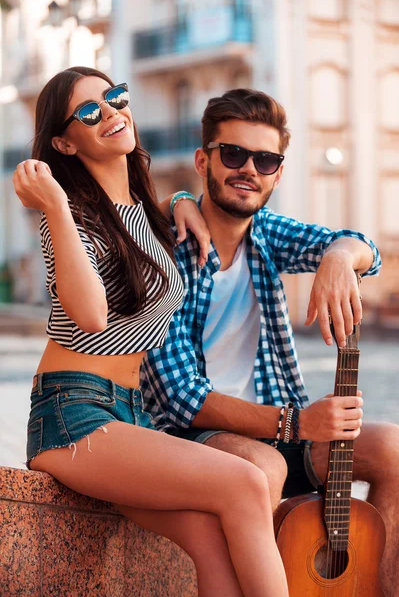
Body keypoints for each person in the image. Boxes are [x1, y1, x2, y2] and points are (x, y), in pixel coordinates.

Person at [13, 68, 290, 597]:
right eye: (90, 111)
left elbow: (137, 235)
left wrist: (180, 200)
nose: (113, 112)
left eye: (115, 97)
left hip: (131, 413)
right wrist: (51, 203)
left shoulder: (142, 212)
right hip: (73, 413)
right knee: (245, 482)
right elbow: (91, 316)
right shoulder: (67, 217)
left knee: (211, 535)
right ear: (64, 143)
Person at [141, 88, 399, 596]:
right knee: (264, 464)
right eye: (233, 154)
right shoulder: (163, 249)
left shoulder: (267, 235)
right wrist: (297, 422)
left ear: (278, 172)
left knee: (392, 447)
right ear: (204, 160)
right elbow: (181, 399)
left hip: (282, 434)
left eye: (265, 159)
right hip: (184, 438)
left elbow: (363, 246)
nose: (248, 170)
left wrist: (338, 259)